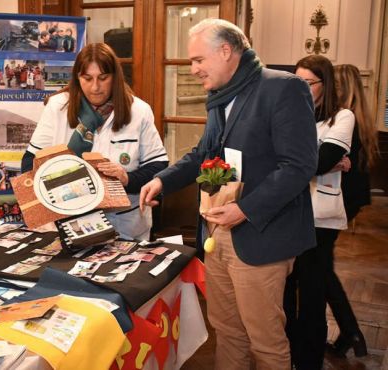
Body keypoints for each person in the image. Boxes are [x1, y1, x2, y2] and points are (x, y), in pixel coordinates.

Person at [139, 19, 317, 369]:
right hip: (218, 234)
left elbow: (298, 166)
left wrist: (245, 210)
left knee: (265, 341)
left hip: (262, 237)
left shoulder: (284, 88)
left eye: (198, 60)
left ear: (225, 51)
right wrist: (163, 180)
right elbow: (205, 153)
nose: (193, 70)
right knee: (227, 330)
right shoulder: (220, 95)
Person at [22, 43, 168, 241]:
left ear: (115, 77)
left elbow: (157, 167)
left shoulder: (139, 111)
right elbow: (29, 162)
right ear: (77, 78)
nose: (95, 87)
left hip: (123, 226)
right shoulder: (57, 107)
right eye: (87, 78)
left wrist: (127, 179)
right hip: (67, 223)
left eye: (103, 78)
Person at [284, 55, 356, 370]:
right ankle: (286, 352)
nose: (301, 88)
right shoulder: (290, 115)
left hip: (320, 219)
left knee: (313, 291)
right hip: (287, 214)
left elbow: (321, 161)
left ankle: (309, 359)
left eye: (308, 83)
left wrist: (301, 162)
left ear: (324, 84)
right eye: (296, 82)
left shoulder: (343, 117)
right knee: (285, 286)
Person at [323, 64, 379, 358]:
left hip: (340, 196)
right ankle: (349, 331)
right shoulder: (361, 116)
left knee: (321, 268)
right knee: (323, 266)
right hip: (352, 196)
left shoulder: (345, 119)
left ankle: (350, 330)